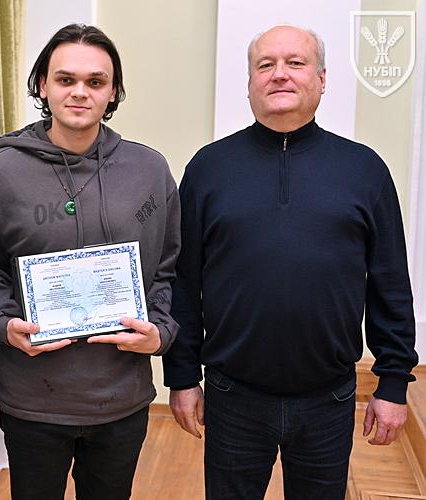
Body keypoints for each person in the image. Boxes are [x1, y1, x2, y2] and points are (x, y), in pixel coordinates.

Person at [164, 25, 418, 499]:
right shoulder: (208, 168)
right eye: (266, 65)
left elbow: (390, 284)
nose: (279, 74)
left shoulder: (365, 170)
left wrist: (393, 383)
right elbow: (184, 281)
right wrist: (181, 376)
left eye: (295, 63)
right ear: (249, 84)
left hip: (329, 397)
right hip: (232, 396)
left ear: (322, 79)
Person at [0, 23, 180, 500]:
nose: (80, 92)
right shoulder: (1, 173)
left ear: (113, 92)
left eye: (95, 81)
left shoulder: (149, 171)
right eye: (65, 79)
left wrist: (161, 332)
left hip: (121, 397)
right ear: (42, 86)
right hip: (32, 398)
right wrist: (4, 325)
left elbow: (168, 269)